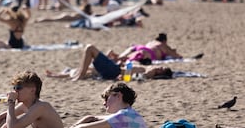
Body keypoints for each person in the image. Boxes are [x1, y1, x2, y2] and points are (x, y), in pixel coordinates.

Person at [45, 44, 174, 81]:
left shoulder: (151, 71)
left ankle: (79, 76)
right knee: (90, 70)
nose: (160, 66)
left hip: (114, 71)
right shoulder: (148, 68)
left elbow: (136, 77)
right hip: (116, 69)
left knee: (90, 48)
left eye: (162, 67)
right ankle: (57, 75)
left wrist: (123, 74)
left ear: (161, 71)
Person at [117, 33, 182, 64]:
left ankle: (117, 57)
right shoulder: (163, 45)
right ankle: (118, 60)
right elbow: (177, 56)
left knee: (125, 57)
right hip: (149, 54)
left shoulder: (152, 42)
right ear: (165, 41)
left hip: (140, 47)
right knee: (131, 61)